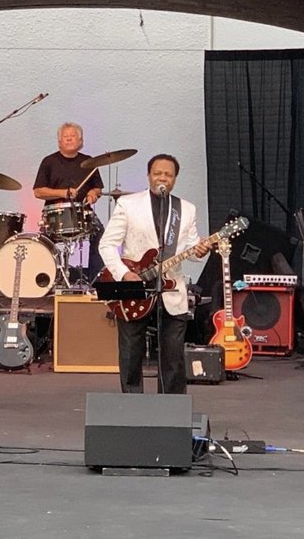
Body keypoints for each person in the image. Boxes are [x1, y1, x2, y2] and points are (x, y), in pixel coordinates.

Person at [98, 154, 212, 394]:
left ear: (175, 179)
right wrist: (124, 273)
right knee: (131, 352)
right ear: (149, 175)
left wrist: (200, 251)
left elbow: (190, 249)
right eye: (158, 173)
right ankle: (132, 405)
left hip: (171, 289)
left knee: (172, 356)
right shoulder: (128, 204)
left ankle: (170, 409)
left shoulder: (186, 209)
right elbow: (107, 245)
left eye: (168, 174)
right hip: (135, 287)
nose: (163, 177)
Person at [33, 122, 105, 281]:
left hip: (83, 212)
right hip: (54, 213)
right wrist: (63, 193)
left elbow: (97, 188)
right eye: (65, 137)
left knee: (101, 236)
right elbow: (38, 191)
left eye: (73, 136)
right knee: (42, 244)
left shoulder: (89, 162)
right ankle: (45, 280)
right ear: (59, 141)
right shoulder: (49, 162)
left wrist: (93, 194)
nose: (69, 139)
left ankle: (97, 281)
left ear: (81, 141)